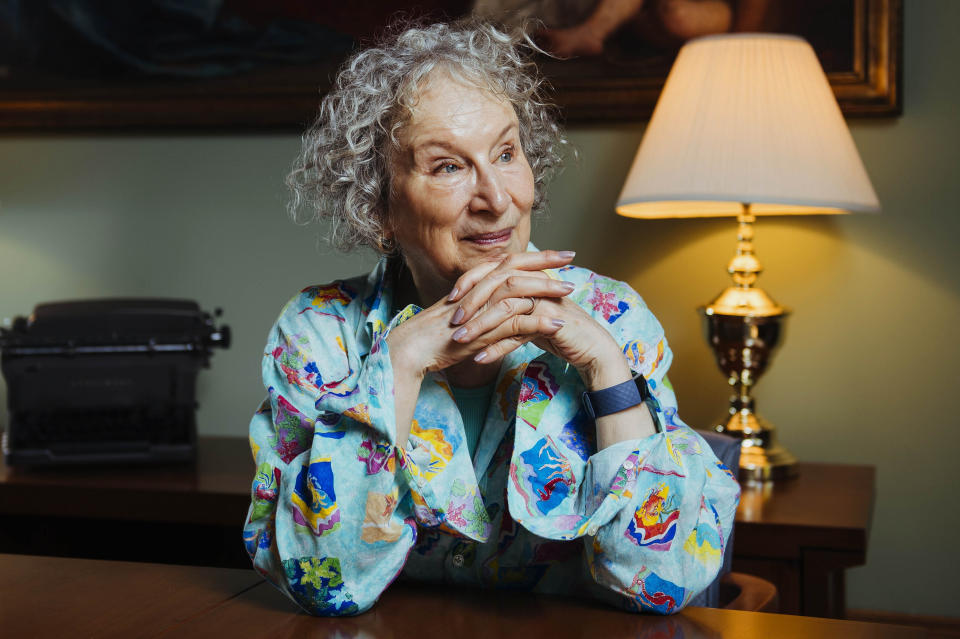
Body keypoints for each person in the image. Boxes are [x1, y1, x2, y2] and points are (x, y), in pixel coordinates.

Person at [242, 19, 740, 617]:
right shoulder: (319, 333)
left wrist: (607, 369)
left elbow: (662, 581)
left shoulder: (614, 318)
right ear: (379, 207)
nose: (497, 199)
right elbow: (326, 585)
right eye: (449, 167)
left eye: (506, 154)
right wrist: (400, 364)